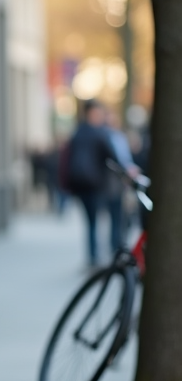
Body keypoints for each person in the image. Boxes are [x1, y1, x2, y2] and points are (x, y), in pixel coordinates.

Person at [63, 101, 137, 266]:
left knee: (91, 221)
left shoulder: (77, 133)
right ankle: (99, 254)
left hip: (80, 184)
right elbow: (112, 157)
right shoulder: (99, 133)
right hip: (95, 183)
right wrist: (126, 171)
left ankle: (93, 255)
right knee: (99, 219)